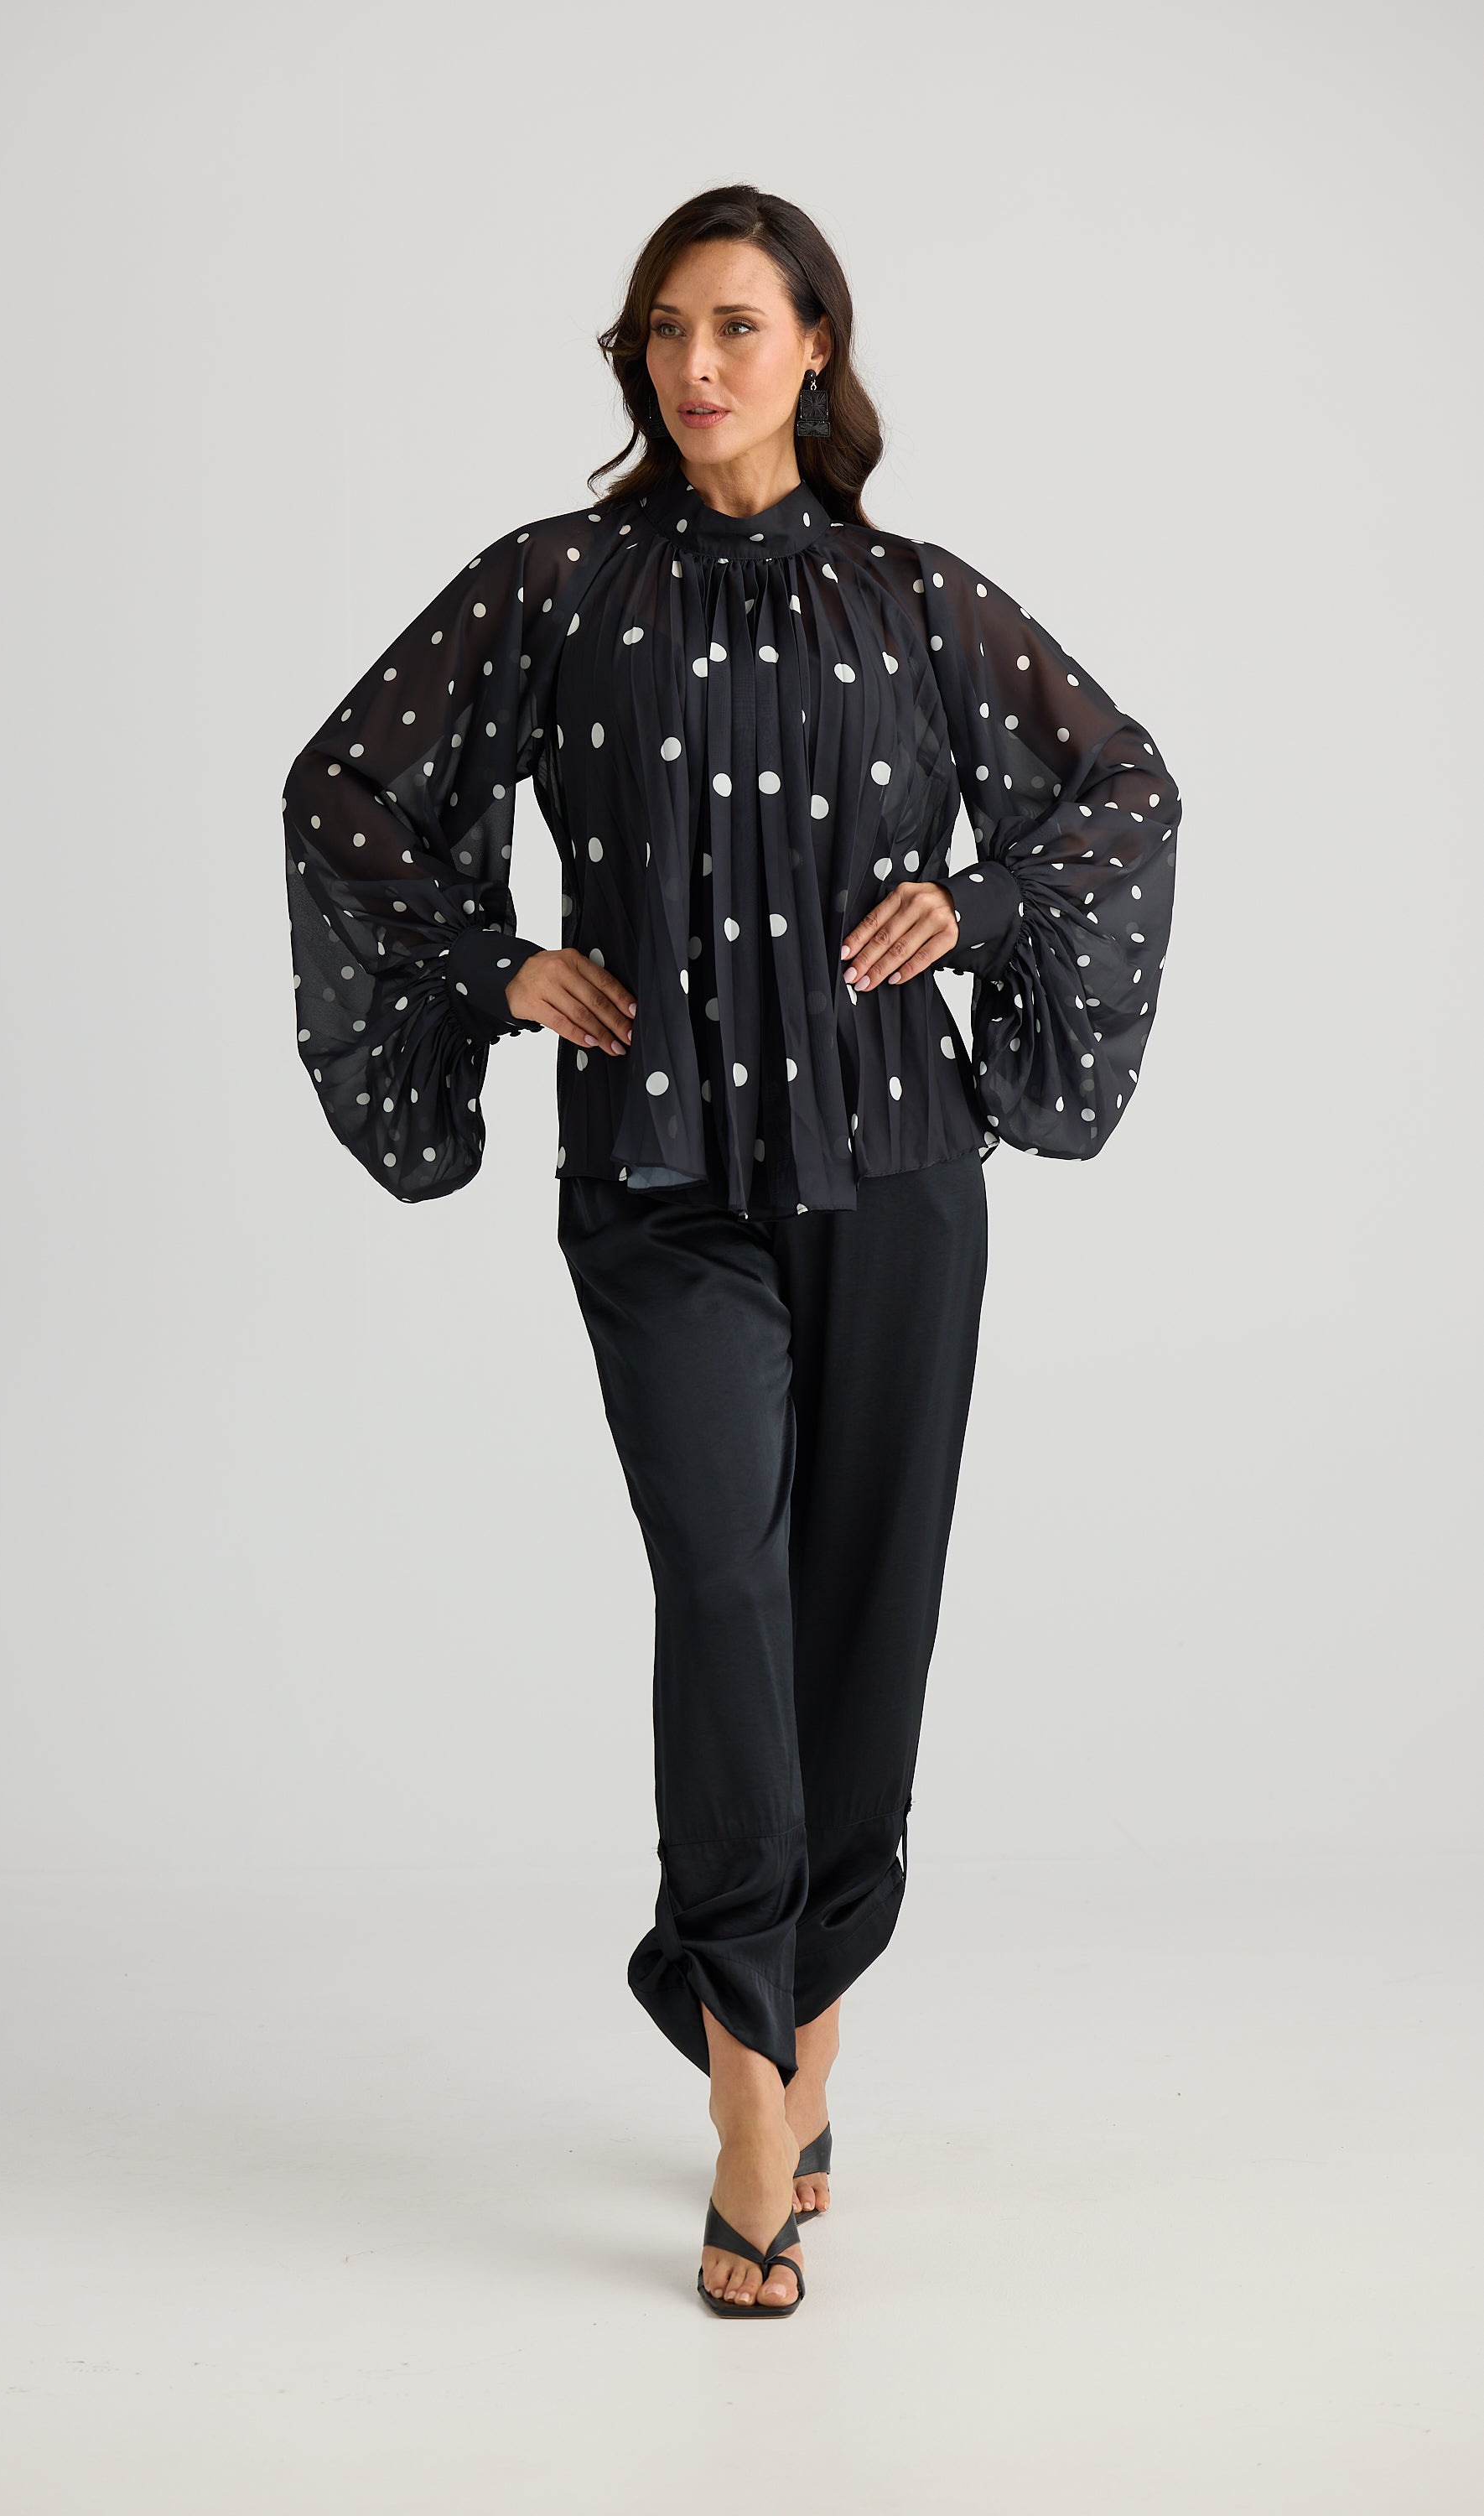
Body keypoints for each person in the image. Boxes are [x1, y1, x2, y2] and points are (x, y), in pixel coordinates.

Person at [281, 184, 1181, 2319]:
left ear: (813, 347)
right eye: (664, 331)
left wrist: (978, 905)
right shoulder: (553, 586)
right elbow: (344, 790)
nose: (696, 364)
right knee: (720, 1586)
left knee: (862, 1603)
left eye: (737, 327)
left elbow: (1121, 791)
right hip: (658, 1176)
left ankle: (804, 2012)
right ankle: (747, 2098)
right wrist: (497, 966)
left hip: (895, 1172)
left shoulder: (916, 600)